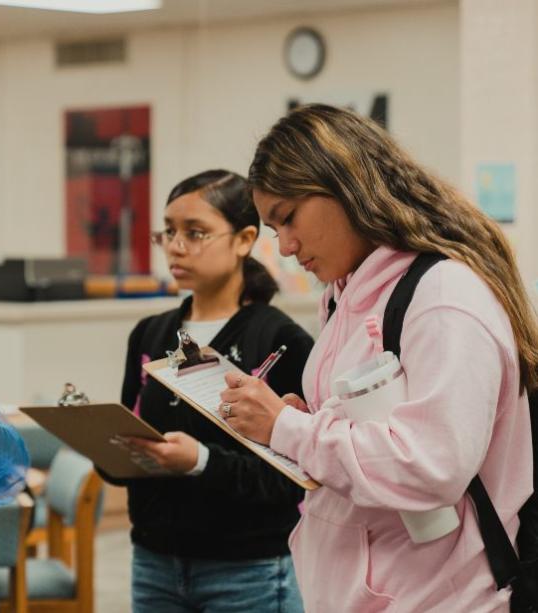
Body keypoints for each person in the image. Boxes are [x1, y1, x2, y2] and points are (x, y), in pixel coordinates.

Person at [220, 104, 537, 612]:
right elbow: (378, 425)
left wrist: (290, 430)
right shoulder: (347, 293)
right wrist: (314, 423)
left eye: (289, 218)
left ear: (345, 186)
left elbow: (433, 465)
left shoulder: (444, 297)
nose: (285, 247)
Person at [115, 169, 314, 612]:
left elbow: (295, 478)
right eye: (168, 232)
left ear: (244, 239)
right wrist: (108, 444)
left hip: (248, 569)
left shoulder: (280, 341)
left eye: (195, 232)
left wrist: (201, 462)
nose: (176, 245)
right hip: (154, 561)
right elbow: (131, 438)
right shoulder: (150, 334)